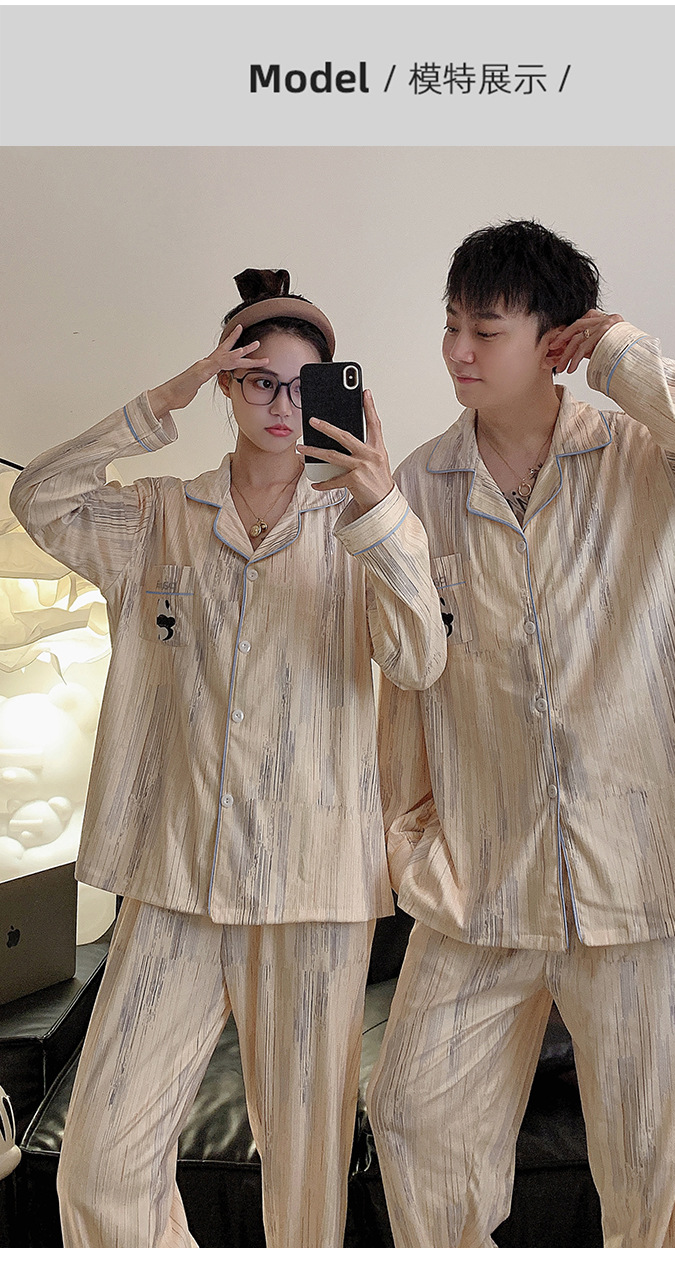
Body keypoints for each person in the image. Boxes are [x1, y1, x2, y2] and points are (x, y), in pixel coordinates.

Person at [367, 219, 675, 1248]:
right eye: (450, 325)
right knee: (414, 1117)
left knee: (653, 1181)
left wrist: (627, 357)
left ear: (554, 339)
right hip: (482, 884)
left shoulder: (656, 462)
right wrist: (411, 842)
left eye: (486, 329)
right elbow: (404, 685)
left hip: (645, 881)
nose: (457, 350)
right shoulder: (415, 488)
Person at [10, 267, 446, 1248]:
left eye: (301, 384)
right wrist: (160, 399)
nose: (281, 404)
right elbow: (40, 495)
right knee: (100, 1163)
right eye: (257, 380)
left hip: (312, 891)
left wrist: (379, 506)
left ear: (329, 389)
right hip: (177, 883)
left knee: (305, 1188)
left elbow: (420, 660)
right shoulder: (157, 517)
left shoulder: (363, 527)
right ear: (227, 384)